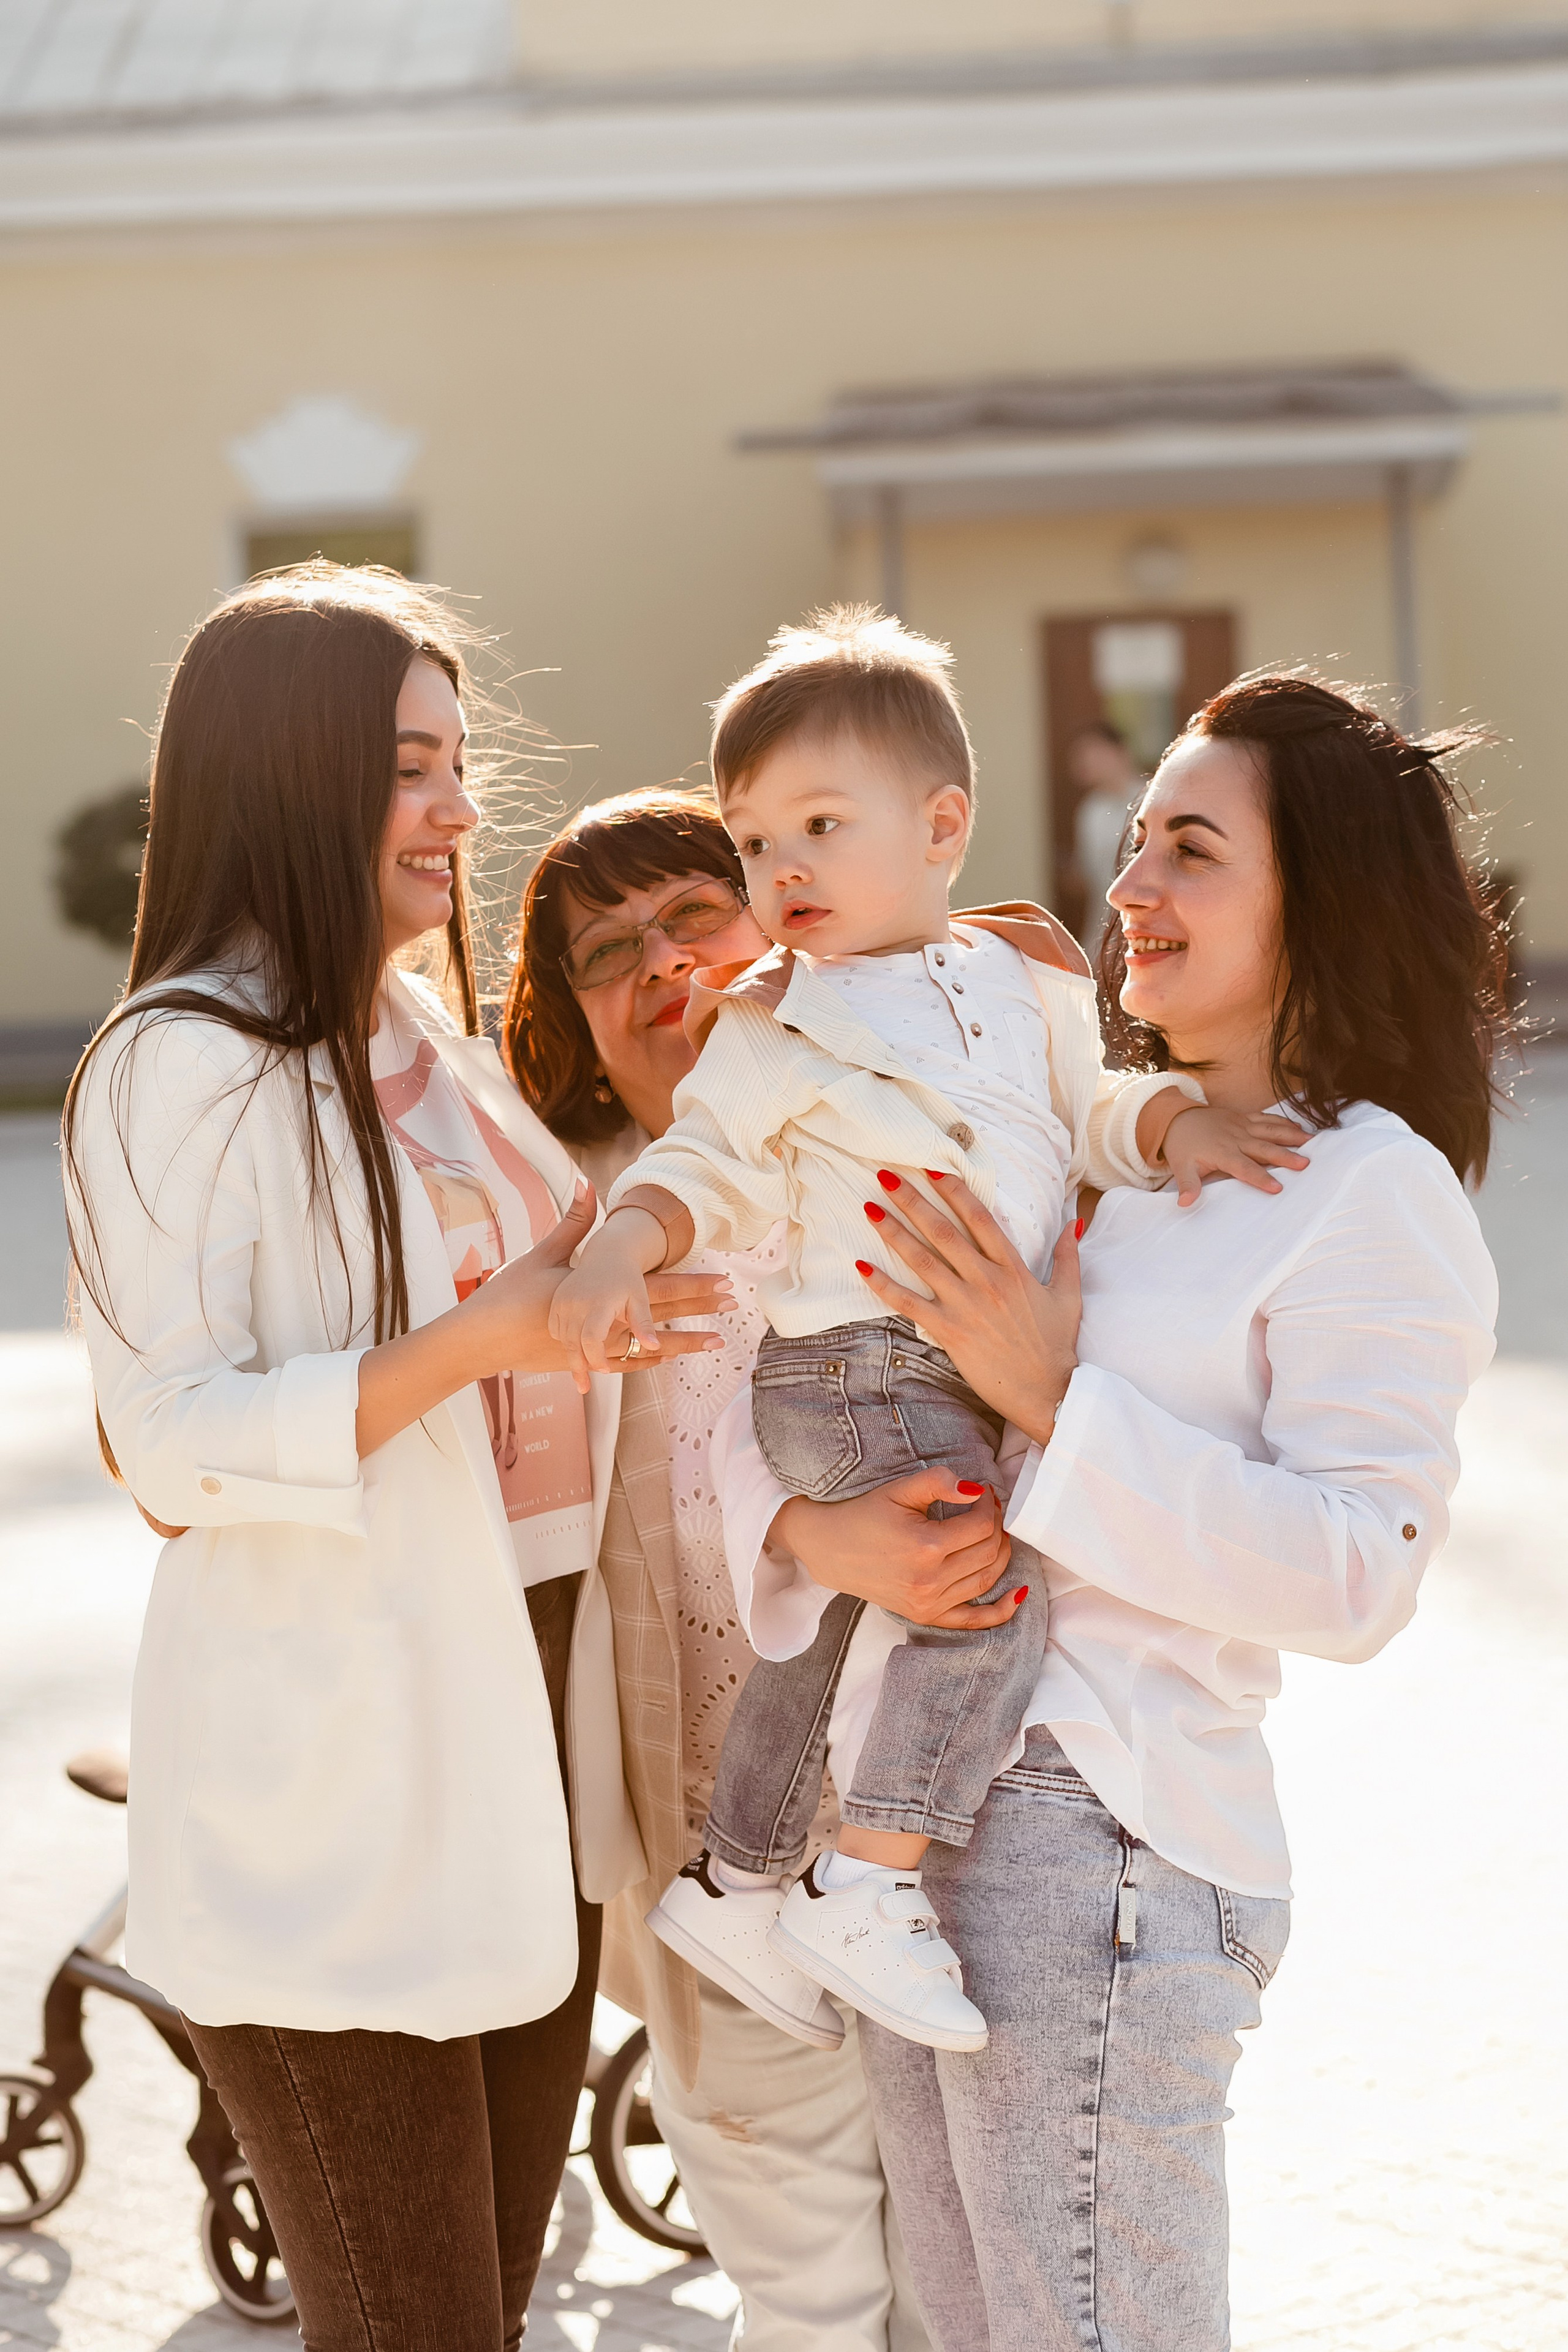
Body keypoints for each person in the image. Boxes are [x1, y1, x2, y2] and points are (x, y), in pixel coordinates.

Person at [714, 674, 1502, 2350]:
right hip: (914, 1837)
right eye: (1135, 840)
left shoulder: (1373, 1187)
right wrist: (807, 1536)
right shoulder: (1103, 1155)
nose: (1131, 887)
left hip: (1106, 1838)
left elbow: (1362, 1572)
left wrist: (1058, 1402)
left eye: (1193, 851)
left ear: (1328, 896)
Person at [61, 565, 728, 2352]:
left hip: (526, 1734)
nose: (456, 805)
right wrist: (479, 1341)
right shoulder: (177, 1064)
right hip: (342, 1788)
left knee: (475, 2322)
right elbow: (164, 1442)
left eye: (455, 758)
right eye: (408, 768)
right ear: (288, 778)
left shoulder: (416, 1031)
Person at [549, 608, 1306, 2051]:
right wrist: (619, 1247)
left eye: (819, 826)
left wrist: (1176, 1119)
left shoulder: (1018, 977)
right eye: (756, 839)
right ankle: (870, 1875)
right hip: (848, 1361)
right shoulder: (774, 1023)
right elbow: (695, 1164)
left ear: (940, 822)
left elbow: (1086, 1110)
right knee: (978, 1596)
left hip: (950, 1360)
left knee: (842, 1622)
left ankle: (738, 1874)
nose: (782, 869)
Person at [504, 785, 934, 2352]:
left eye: (692, 912)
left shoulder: (920, 1136)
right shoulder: (555, 1236)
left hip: (954, 1868)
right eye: (602, 951)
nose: (656, 964)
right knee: (812, 2310)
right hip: (720, 1880)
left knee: (975, 2306)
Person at [1066, 717, 1143, 955]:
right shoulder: (1091, 810)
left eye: (1095, 753)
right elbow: (1088, 873)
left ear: (1120, 752)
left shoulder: (1150, 797)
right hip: (1104, 917)